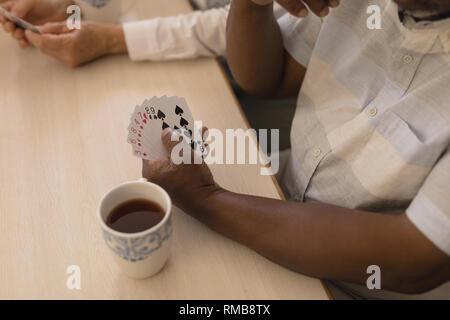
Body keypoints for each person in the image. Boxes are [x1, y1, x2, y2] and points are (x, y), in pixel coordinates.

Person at [142, 0, 450, 299]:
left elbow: (411, 260)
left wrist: (204, 198)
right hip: (275, 193)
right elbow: (271, 78)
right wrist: (252, 5)